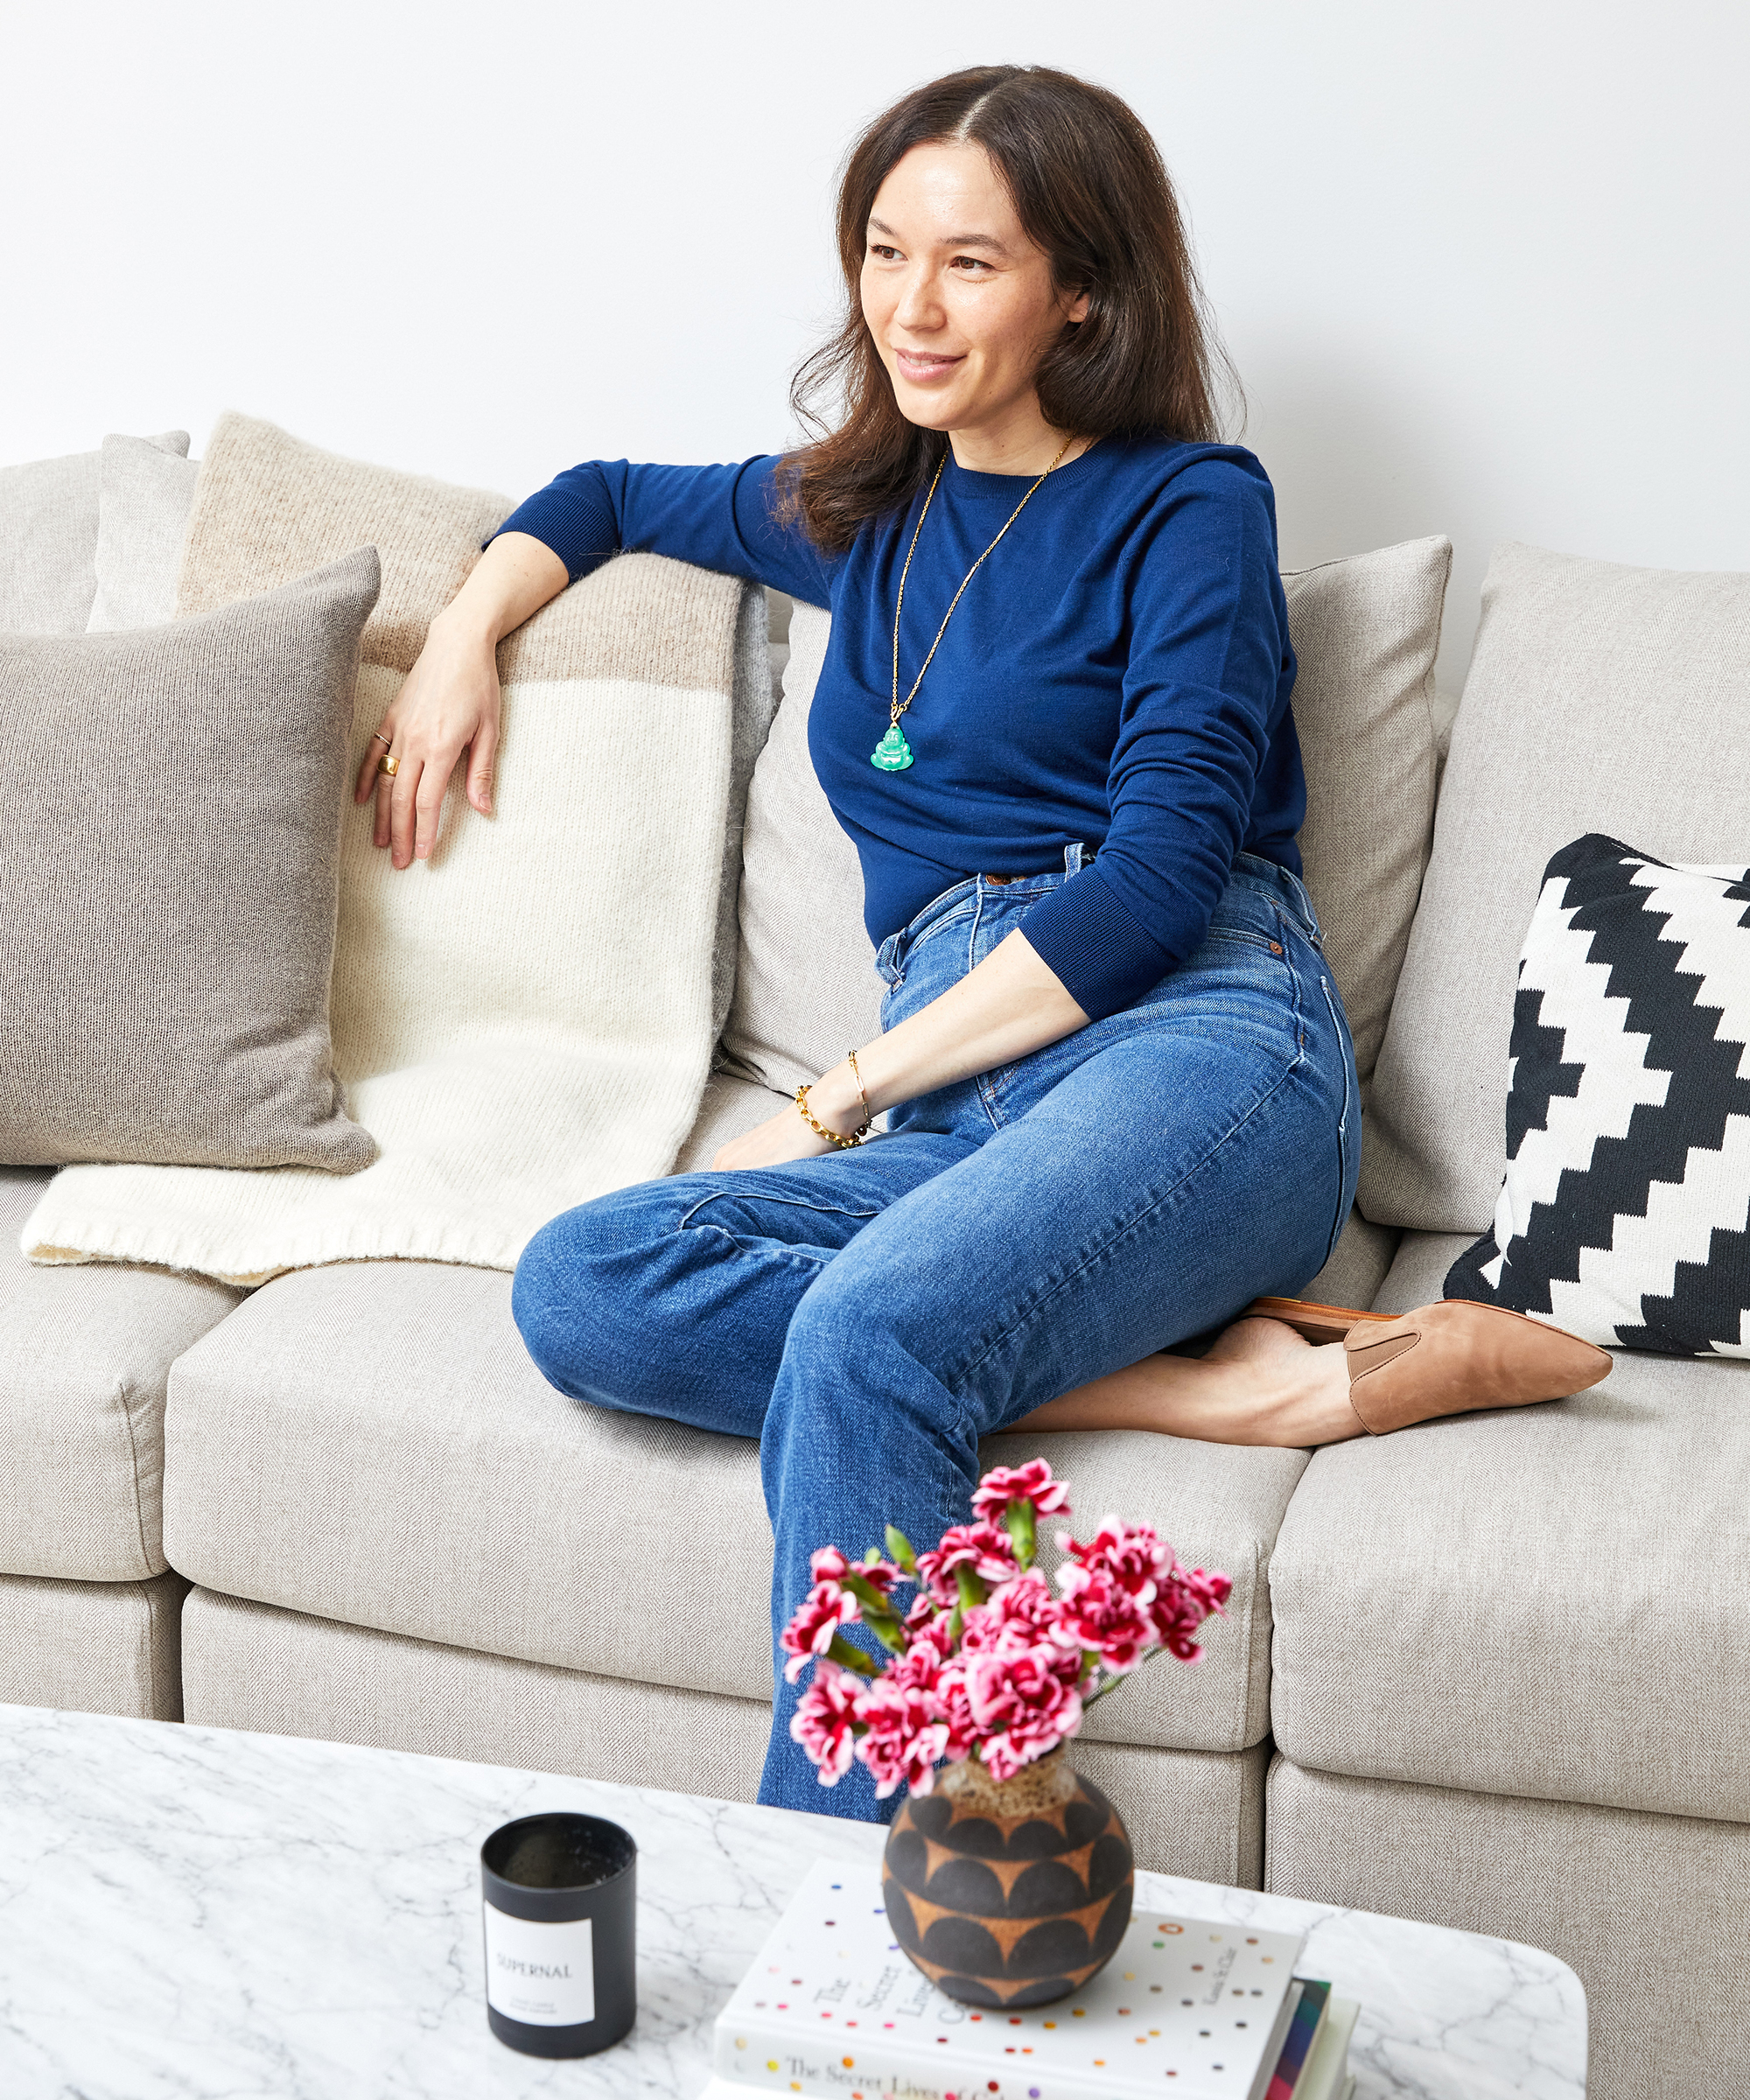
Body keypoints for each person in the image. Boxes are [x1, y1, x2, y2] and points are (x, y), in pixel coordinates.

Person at [357, 64, 1607, 1820]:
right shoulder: (860, 508)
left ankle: (841, 1936)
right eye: (883, 252)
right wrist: (461, 640)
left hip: (1190, 1050)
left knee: (867, 1335)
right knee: (584, 1284)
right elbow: (604, 496)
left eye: (969, 263)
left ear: (1079, 288)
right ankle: (1231, 1394)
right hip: (967, 1111)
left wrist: (832, 1094)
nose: (908, 306)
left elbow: (1160, 877)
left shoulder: (1192, 506)